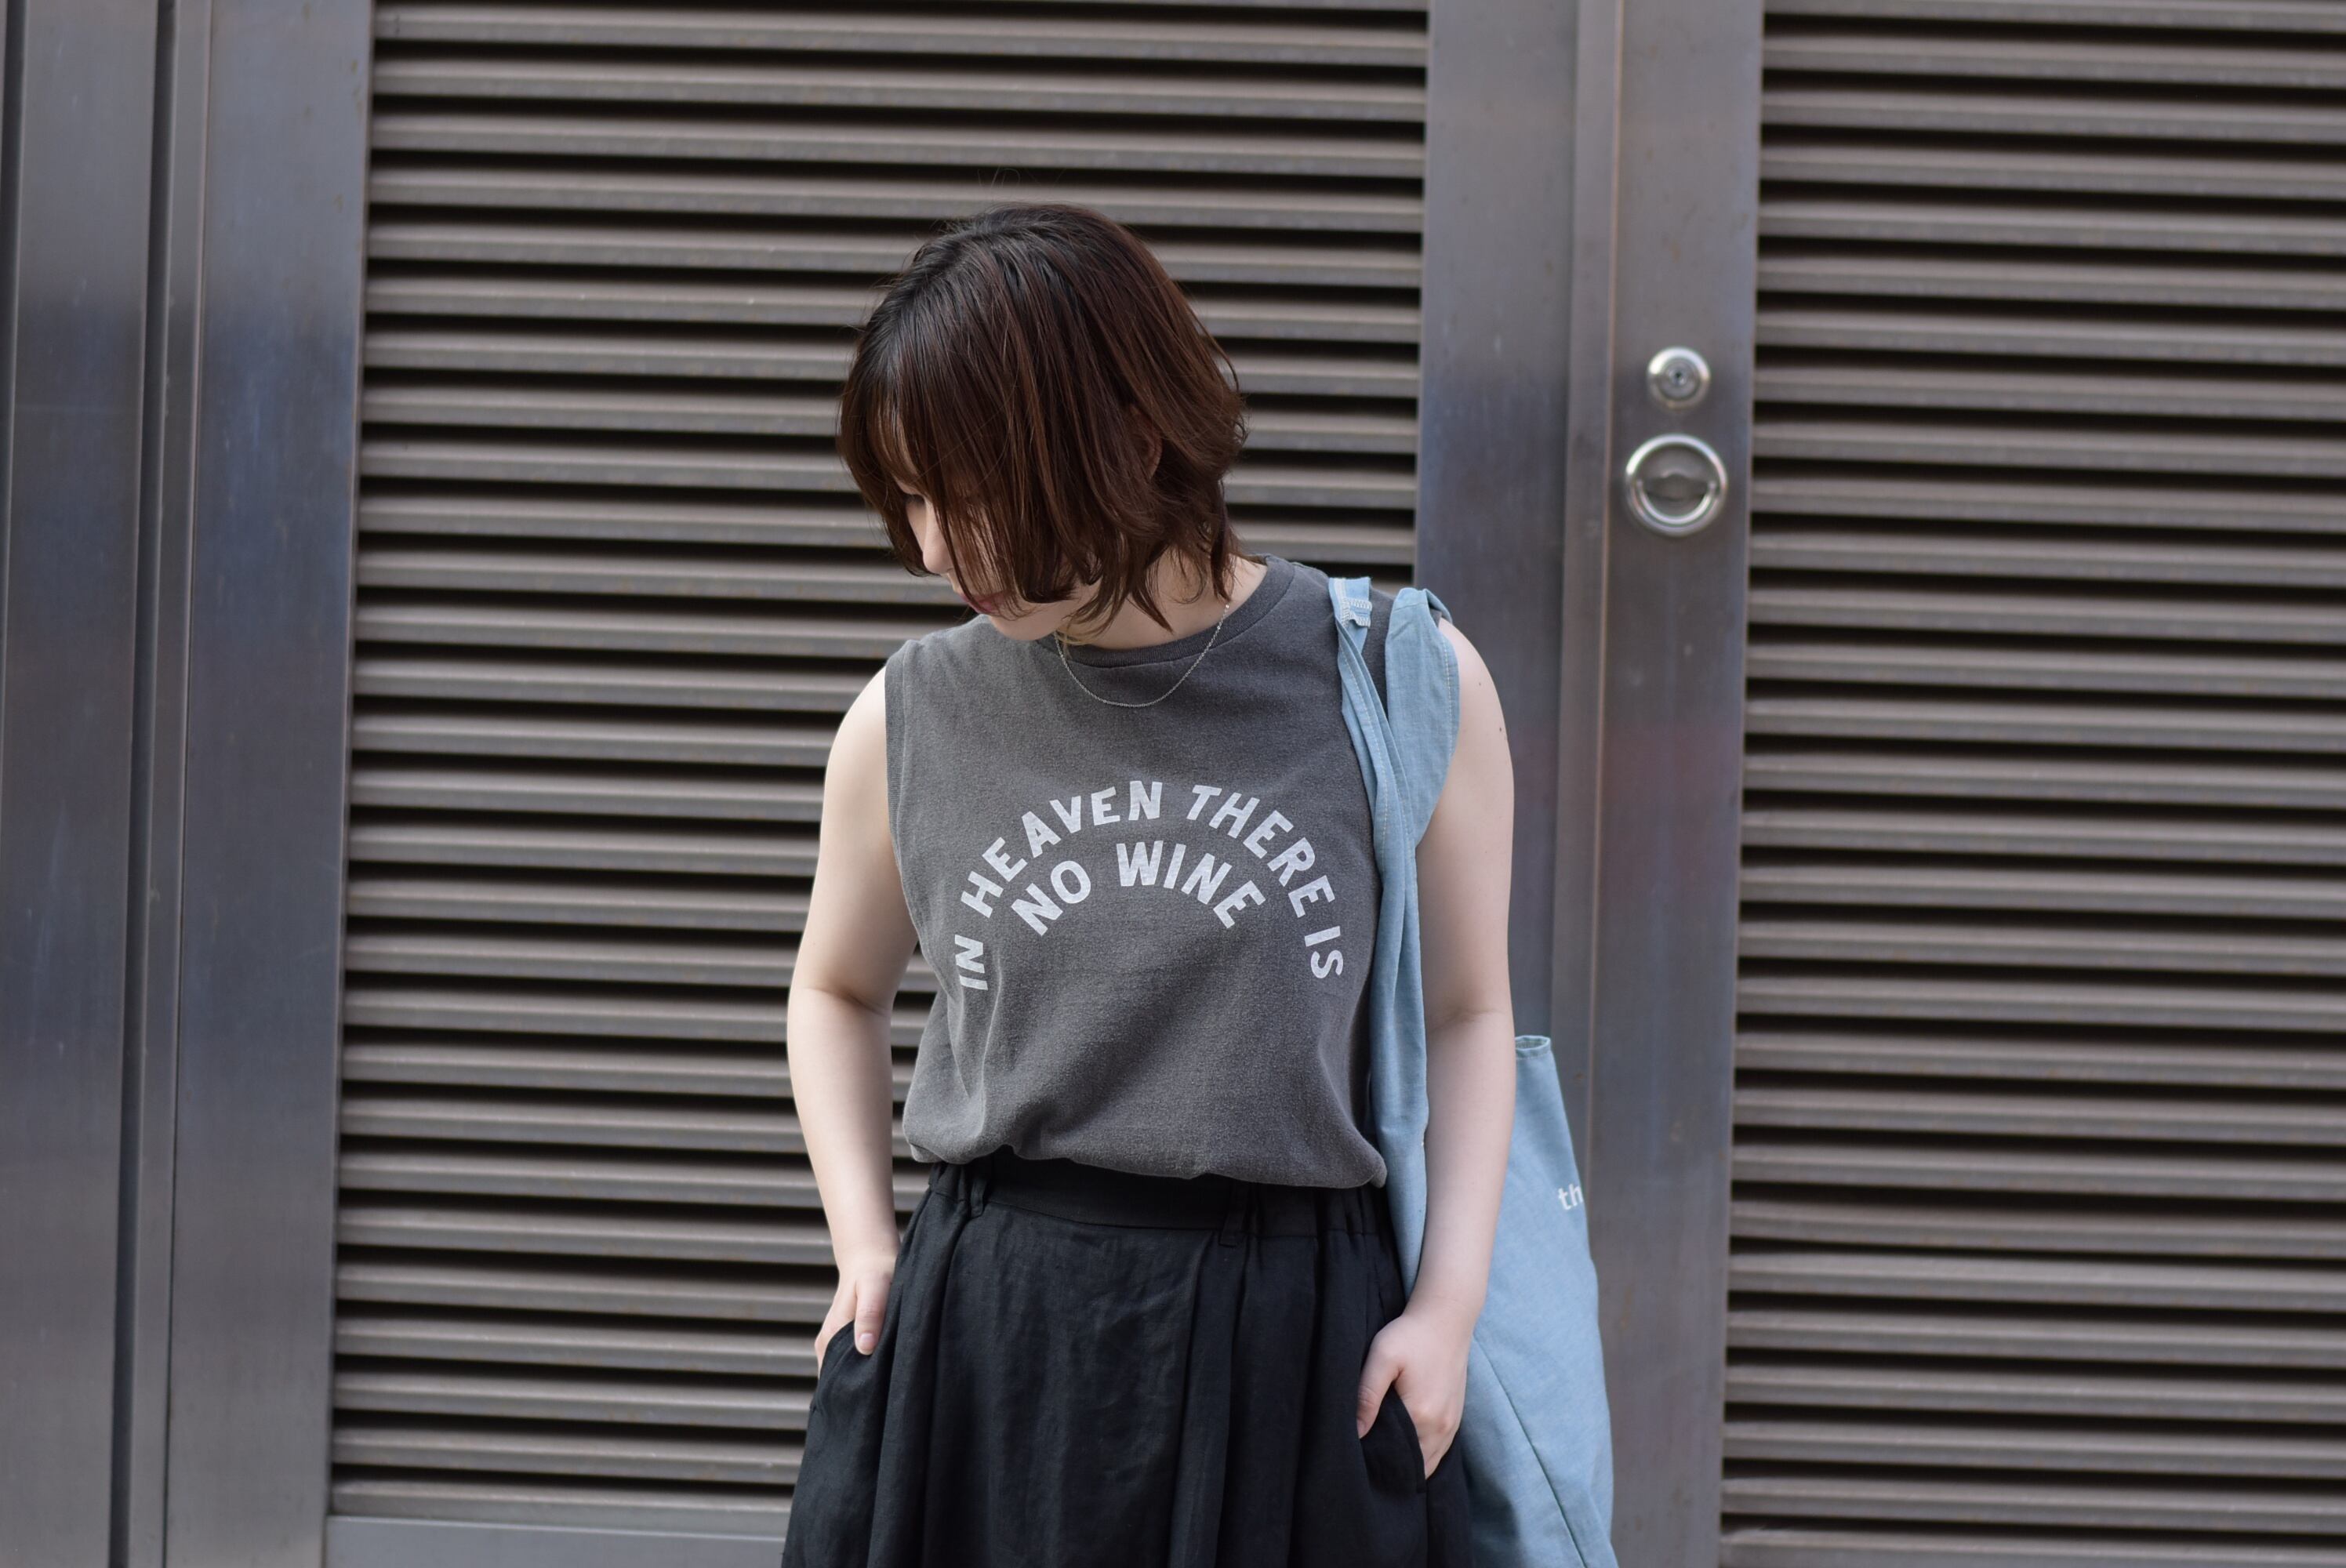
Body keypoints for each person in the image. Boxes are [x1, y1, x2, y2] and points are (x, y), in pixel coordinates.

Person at [780, 201, 1520, 1568]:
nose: (933, 551)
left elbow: (1472, 1014)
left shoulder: (1398, 676)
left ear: (1132, 440)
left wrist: (1448, 1309)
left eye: (968, 494)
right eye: (911, 500)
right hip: (993, 1332)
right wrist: (864, 1245)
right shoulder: (913, 711)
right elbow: (834, 986)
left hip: (1299, 1336)